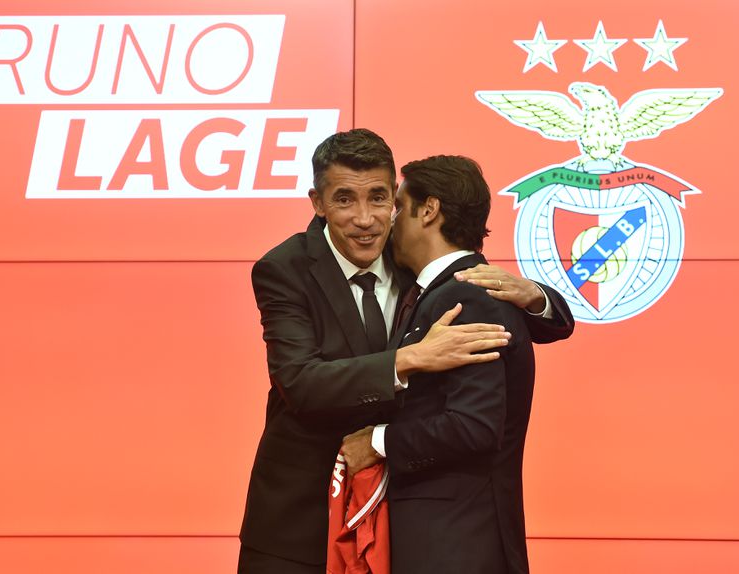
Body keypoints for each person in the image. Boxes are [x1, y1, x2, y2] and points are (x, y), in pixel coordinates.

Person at [238, 130, 573, 573]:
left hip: (399, 528)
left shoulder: (409, 254)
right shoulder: (285, 270)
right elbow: (301, 382)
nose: (365, 219)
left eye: (379, 199)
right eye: (344, 200)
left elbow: (493, 304)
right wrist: (409, 360)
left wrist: (536, 296)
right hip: (300, 524)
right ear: (317, 202)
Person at [342, 155, 541, 573]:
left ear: (428, 210)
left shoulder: (467, 296)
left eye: (397, 206)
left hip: (456, 547)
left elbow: (474, 425)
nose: (388, 221)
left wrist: (377, 441)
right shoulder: (441, 293)